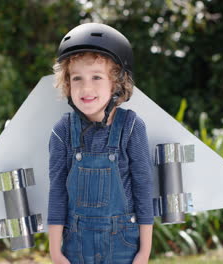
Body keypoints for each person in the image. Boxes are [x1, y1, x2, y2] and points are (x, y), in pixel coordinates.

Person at [47, 23, 154, 264]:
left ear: (116, 83)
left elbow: (143, 189)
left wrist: (144, 252)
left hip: (123, 244)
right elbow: (57, 193)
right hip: (75, 244)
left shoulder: (132, 127)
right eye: (77, 78)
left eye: (96, 77)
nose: (86, 88)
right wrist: (56, 253)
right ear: (67, 83)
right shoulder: (62, 132)